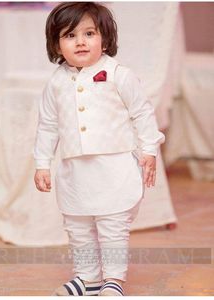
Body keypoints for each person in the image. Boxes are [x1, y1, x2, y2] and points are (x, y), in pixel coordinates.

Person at [33, 2, 165, 296]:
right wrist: (42, 163)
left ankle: (113, 279)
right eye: (69, 35)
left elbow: (142, 113)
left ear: (104, 37)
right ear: (56, 43)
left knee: (112, 228)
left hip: (114, 169)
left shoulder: (119, 74)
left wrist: (149, 150)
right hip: (74, 173)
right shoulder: (55, 83)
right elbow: (48, 125)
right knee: (78, 227)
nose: (80, 41)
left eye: (89, 33)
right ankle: (88, 277)